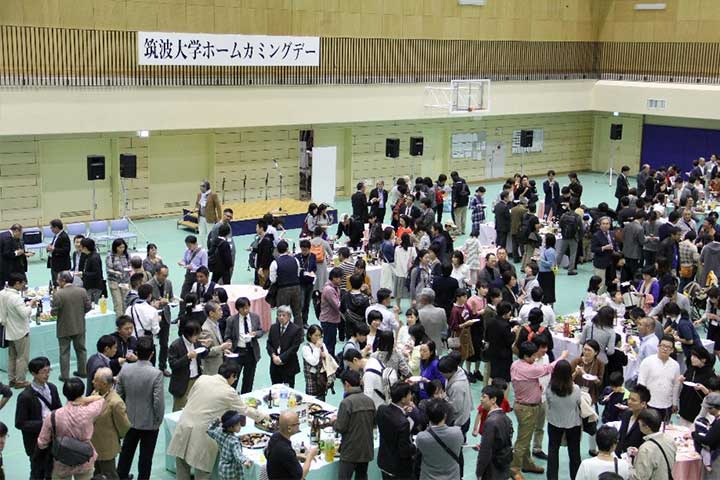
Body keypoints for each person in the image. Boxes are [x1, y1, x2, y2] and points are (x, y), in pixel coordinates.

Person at [168, 361, 267, 479]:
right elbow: (244, 410)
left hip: (184, 424)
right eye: (235, 378)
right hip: (202, 433)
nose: (235, 380)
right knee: (201, 472)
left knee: (182, 465)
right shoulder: (229, 391)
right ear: (232, 376)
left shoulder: (202, 378)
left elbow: (190, 397)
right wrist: (263, 417)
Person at [510, 341, 569, 475]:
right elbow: (548, 368)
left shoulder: (516, 364)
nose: (535, 358)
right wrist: (562, 357)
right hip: (527, 409)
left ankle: (527, 464)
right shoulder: (529, 369)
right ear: (526, 356)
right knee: (523, 441)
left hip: (523, 406)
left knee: (525, 437)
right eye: (533, 356)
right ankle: (514, 469)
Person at [37, 378, 105, 480]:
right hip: (84, 460)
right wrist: (83, 399)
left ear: (65, 393)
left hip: (62, 462)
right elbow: (101, 399)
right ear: (82, 392)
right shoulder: (89, 412)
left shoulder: (53, 416)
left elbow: (42, 443)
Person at [116, 336, 164, 480]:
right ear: (152, 354)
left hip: (129, 420)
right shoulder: (156, 374)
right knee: (145, 458)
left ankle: (121, 477)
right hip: (149, 423)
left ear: (136, 352)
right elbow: (158, 402)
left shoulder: (125, 370)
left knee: (125, 454)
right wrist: (157, 421)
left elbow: (118, 396)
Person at [15, 356, 59, 479]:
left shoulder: (52, 388)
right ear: (33, 373)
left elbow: (58, 409)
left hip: (53, 438)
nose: (47, 375)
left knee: (52, 471)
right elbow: (20, 423)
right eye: (43, 372)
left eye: (48, 371)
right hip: (36, 442)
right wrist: (45, 423)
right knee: (37, 472)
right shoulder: (25, 396)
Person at [334, 369, 376, 480]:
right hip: (366, 449)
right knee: (362, 476)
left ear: (346, 384)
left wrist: (333, 422)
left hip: (350, 451)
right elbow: (374, 423)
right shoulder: (370, 401)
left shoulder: (346, 403)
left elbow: (340, 427)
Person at [89, 367, 130, 480]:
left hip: (107, 446)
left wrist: (116, 437)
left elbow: (124, 425)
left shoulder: (115, 402)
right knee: (96, 473)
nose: (92, 382)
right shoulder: (95, 393)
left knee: (110, 474)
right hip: (94, 444)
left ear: (104, 384)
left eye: (95, 380)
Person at [546, 359, 583, 480]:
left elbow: (549, 403)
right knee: (574, 453)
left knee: (553, 451)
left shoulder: (550, 388)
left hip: (554, 423)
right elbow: (578, 403)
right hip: (573, 424)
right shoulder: (576, 389)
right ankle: (576, 477)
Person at [51, 271, 91, 381]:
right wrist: (79, 314)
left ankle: (64, 376)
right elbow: (88, 307)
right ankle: (83, 371)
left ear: (63, 280)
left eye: (58, 280)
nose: (57, 281)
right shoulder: (82, 291)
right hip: (79, 325)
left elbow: (54, 313)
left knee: (64, 352)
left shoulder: (58, 294)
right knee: (81, 350)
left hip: (64, 328)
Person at [414, 398, 463, 480]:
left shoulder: (421, 437)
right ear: (445, 415)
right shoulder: (457, 433)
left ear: (428, 416)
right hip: (453, 477)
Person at [0, 272, 34, 388]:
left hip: (8, 330)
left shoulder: (2, 293)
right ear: (17, 283)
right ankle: (20, 381)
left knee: (12, 356)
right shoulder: (16, 298)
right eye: (23, 283)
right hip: (20, 331)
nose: (24, 286)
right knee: (22, 357)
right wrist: (30, 305)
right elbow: (24, 314)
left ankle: (12, 379)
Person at [474, 384, 514, 480]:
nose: (481, 399)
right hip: (503, 465)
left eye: (484, 397)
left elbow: (485, 452)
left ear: (493, 400)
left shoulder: (491, 422)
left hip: (492, 469)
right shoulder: (506, 418)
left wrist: (479, 472)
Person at [376, 383, 416, 479]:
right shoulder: (403, 423)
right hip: (398, 468)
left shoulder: (381, 409)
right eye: (409, 394)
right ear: (403, 399)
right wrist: (415, 446)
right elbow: (404, 450)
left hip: (383, 461)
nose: (411, 396)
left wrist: (403, 413)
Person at [638, 334, 681, 422]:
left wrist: (674, 403)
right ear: (658, 346)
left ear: (672, 350)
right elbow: (641, 383)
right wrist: (642, 401)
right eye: (663, 346)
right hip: (649, 404)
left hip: (666, 405)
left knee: (664, 428)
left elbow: (676, 385)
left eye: (668, 347)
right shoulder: (647, 362)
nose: (665, 349)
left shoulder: (675, 365)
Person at [224, 297, 263, 393]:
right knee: (233, 378)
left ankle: (246, 396)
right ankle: (231, 396)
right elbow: (227, 336)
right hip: (237, 352)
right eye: (243, 308)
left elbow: (260, 331)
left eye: (247, 307)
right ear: (238, 309)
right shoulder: (231, 320)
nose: (246, 310)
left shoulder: (255, 317)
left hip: (251, 351)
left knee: (249, 379)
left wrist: (255, 334)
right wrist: (228, 343)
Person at [266, 410, 319, 480]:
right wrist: (310, 456)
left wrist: (297, 456)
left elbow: (279, 457)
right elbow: (301, 476)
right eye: (298, 423)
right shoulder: (285, 450)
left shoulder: (275, 436)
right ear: (289, 428)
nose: (299, 425)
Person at [628, 408, 676, 480]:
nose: (638, 425)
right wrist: (639, 454)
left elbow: (639, 478)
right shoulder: (670, 440)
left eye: (639, 424)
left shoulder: (646, 449)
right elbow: (659, 458)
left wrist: (628, 465)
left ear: (646, 427)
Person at [169, 322, 206, 411]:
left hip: (196, 379)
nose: (198, 337)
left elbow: (203, 354)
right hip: (182, 382)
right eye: (196, 335)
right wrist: (187, 357)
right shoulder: (175, 345)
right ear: (189, 335)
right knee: (179, 409)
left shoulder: (196, 343)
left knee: (195, 407)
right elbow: (173, 365)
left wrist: (206, 348)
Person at [206, 411, 252, 480]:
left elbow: (209, 430)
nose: (240, 426)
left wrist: (217, 421)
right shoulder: (234, 442)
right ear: (230, 427)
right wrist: (245, 461)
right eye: (238, 424)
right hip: (233, 472)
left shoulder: (219, 432)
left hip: (223, 469)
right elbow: (238, 455)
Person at [266, 305, 303, 388]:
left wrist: (280, 358)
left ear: (289, 316)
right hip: (275, 365)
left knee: (289, 390)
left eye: (283, 315)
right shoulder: (273, 327)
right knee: (275, 388)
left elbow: (294, 348)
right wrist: (273, 356)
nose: (281, 317)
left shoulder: (296, 329)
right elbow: (269, 344)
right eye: (279, 315)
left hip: (288, 364)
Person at [678, 347, 715, 426]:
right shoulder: (691, 369)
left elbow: (714, 396)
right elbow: (686, 381)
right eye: (692, 356)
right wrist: (682, 380)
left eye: (695, 357)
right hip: (685, 405)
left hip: (699, 410)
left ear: (703, 360)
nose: (692, 358)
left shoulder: (710, 374)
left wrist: (702, 388)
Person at [147, 265, 174, 376]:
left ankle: (162, 367)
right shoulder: (149, 285)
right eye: (163, 275)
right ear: (157, 274)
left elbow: (171, 297)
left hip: (165, 317)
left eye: (167, 275)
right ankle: (149, 368)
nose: (165, 278)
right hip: (153, 318)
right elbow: (146, 303)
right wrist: (157, 303)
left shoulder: (168, 283)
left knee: (164, 344)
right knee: (149, 344)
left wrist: (170, 301)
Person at [270, 240, 303, 328]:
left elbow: (273, 280)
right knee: (297, 313)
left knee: (281, 313)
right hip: (296, 288)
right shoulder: (295, 260)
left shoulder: (275, 263)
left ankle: (280, 332)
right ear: (287, 249)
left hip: (283, 290)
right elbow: (298, 274)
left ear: (277, 250)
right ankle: (299, 333)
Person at [438, 355, 473, 438]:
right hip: (463, 415)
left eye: (443, 373)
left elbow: (455, 408)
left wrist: (444, 398)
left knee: (457, 440)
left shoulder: (457, 386)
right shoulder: (458, 371)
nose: (441, 374)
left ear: (451, 371)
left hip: (459, 420)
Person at [484, 300, 518, 382]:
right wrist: (513, 331)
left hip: (492, 351)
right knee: (505, 379)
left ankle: (490, 389)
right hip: (503, 355)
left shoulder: (491, 321)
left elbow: (486, 336)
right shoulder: (505, 326)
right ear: (506, 313)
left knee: (493, 375)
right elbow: (509, 341)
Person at [616, 384, 651, 456]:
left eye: (633, 400)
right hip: (621, 455)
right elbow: (621, 435)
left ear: (643, 403)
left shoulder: (647, 422)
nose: (629, 402)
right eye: (629, 398)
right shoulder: (626, 413)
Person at [199, 301, 233, 376]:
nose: (222, 312)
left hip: (219, 363)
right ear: (211, 313)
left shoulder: (216, 324)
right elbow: (206, 352)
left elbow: (216, 343)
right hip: (212, 368)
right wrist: (221, 347)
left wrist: (224, 350)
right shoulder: (206, 329)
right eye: (219, 310)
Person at [691, 392, 720, 475]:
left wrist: (694, 434)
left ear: (714, 408)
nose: (707, 410)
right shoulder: (717, 419)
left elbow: (707, 440)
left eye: (708, 408)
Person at [126, 283, 161, 348]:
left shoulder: (130, 308)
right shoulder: (153, 311)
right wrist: (158, 319)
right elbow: (155, 330)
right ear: (150, 295)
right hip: (147, 343)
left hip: (132, 340)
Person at [319, 267, 343, 356]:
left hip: (332, 319)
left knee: (332, 343)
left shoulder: (334, 287)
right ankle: (328, 361)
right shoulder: (329, 290)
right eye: (339, 278)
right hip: (328, 320)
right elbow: (337, 305)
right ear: (333, 277)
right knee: (328, 345)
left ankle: (331, 359)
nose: (341, 280)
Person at [302, 325, 330, 401]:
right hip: (311, 380)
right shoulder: (306, 348)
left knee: (322, 399)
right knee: (311, 401)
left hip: (322, 379)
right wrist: (317, 348)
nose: (318, 338)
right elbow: (314, 362)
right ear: (310, 335)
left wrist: (325, 355)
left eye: (320, 336)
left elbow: (327, 357)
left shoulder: (322, 345)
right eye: (316, 335)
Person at [0, 224, 31, 290]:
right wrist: (17, 253)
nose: (20, 235)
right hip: (5, 265)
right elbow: (6, 253)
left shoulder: (3, 234)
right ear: (16, 231)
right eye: (20, 233)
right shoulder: (8, 238)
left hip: (4, 264)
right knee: (6, 284)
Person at [417, 288, 448, 354]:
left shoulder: (419, 313)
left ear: (423, 299)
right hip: (437, 345)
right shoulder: (442, 311)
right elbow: (445, 329)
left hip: (423, 347)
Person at [295, 239, 317, 327]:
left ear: (309, 249)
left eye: (306, 250)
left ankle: (305, 321)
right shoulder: (297, 257)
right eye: (302, 250)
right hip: (301, 283)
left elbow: (314, 267)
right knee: (301, 304)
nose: (304, 252)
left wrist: (312, 272)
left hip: (310, 283)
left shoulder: (313, 256)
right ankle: (298, 322)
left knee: (307, 304)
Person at [106, 238, 131, 317]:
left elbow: (130, 264)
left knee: (126, 301)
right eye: (120, 247)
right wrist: (115, 272)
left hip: (125, 281)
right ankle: (119, 320)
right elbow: (108, 269)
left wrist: (130, 269)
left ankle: (127, 319)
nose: (122, 249)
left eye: (123, 247)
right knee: (118, 303)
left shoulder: (127, 255)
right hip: (114, 281)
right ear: (115, 247)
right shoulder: (110, 256)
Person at [592, 217, 617, 292]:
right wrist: (603, 248)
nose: (605, 225)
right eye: (603, 224)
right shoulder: (596, 235)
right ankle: (598, 298)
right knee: (600, 284)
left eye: (607, 224)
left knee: (609, 282)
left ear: (610, 225)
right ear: (600, 225)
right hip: (600, 263)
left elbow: (615, 244)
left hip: (611, 263)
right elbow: (593, 249)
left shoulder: (612, 233)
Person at [178, 235, 209, 299]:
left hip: (198, 276)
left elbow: (204, 267)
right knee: (183, 294)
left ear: (195, 244)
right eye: (187, 245)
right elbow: (185, 260)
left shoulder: (203, 252)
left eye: (189, 246)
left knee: (197, 294)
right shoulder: (187, 251)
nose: (188, 247)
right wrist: (182, 263)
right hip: (189, 275)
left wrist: (193, 268)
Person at [77, 237, 103, 302]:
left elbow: (96, 273)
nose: (80, 248)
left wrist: (83, 274)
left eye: (81, 246)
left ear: (85, 248)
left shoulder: (94, 258)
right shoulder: (88, 255)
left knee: (92, 305)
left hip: (94, 287)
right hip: (89, 285)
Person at [47, 219, 71, 285]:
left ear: (56, 227)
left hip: (61, 265)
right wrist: (50, 247)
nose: (51, 229)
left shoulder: (64, 236)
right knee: (55, 280)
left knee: (60, 282)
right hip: (55, 262)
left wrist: (54, 249)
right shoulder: (56, 235)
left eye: (51, 227)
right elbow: (55, 245)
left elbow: (66, 250)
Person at [538, 233, 557, 304]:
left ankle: (549, 305)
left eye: (544, 238)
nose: (543, 239)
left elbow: (550, 264)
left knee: (548, 291)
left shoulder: (550, 251)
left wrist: (540, 260)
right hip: (542, 273)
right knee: (543, 290)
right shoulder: (545, 249)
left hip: (547, 274)